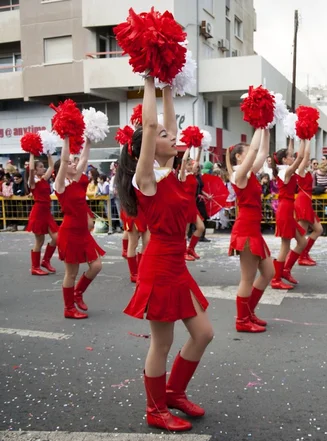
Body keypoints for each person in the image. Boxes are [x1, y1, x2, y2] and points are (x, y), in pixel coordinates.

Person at [118, 78, 213, 432]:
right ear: (146, 147)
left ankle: (173, 392)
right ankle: (155, 409)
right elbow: (153, 123)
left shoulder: (170, 170)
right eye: (163, 137)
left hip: (177, 263)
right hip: (159, 264)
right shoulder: (147, 178)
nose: (172, 137)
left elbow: (166, 124)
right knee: (163, 342)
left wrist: (169, 85)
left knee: (203, 333)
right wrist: (147, 80)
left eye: (171, 135)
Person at [226, 129, 274, 332]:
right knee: (247, 278)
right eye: (246, 152)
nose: (252, 155)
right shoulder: (239, 174)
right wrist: (257, 124)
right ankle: (242, 320)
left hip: (253, 229)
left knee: (269, 272)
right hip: (245, 229)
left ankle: (249, 312)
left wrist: (266, 127)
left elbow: (261, 151)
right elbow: (255, 149)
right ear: (238, 156)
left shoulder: (249, 173)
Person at [54, 137, 105, 319]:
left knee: (97, 266)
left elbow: (82, 160)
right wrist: (67, 138)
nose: (74, 164)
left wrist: (89, 141)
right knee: (71, 272)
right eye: (69, 163)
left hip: (83, 232)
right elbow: (65, 158)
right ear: (62, 168)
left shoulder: (77, 180)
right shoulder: (60, 185)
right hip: (70, 232)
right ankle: (68, 308)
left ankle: (78, 293)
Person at [270, 140, 307, 290]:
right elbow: (300, 158)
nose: (292, 157)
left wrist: (292, 138)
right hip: (285, 209)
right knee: (285, 246)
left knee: (302, 242)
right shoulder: (284, 171)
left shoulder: (283, 169)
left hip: (287, 209)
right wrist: (304, 139)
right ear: (285, 160)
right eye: (289, 156)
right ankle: (276, 278)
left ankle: (285, 270)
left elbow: (294, 155)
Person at [25, 152, 59, 275]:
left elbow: (51, 166)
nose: (42, 168)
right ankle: (35, 267)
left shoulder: (43, 179)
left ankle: (46, 261)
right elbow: (31, 168)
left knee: (57, 238)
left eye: (42, 166)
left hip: (46, 212)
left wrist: (49, 153)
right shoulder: (32, 182)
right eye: (40, 167)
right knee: (39, 241)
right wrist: (32, 153)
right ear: (34, 170)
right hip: (38, 213)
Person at [295, 140, 323, 266]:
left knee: (318, 229)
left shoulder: (306, 170)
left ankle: (304, 253)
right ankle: (301, 256)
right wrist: (307, 139)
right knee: (302, 233)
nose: (309, 160)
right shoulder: (299, 170)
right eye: (306, 159)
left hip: (306, 201)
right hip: (302, 201)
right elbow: (305, 155)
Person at [179, 148, 206, 261]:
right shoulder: (182, 176)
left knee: (201, 227)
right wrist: (189, 147)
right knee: (185, 231)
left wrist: (199, 149)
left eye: (192, 164)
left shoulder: (193, 175)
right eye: (189, 164)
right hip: (184, 205)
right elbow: (184, 160)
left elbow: (197, 161)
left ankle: (191, 249)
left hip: (192, 205)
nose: (191, 165)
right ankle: (183, 252)